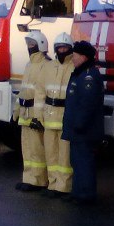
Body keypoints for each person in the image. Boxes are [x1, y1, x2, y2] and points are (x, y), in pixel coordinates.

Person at [61, 40, 104, 204]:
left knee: (84, 162)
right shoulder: (79, 73)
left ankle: (86, 194)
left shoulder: (88, 76)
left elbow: (87, 104)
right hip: (77, 129)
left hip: (84, 130)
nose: (72, 58)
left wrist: (79, 124)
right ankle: (77, 192)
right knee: (76, 161)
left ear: (84, 57)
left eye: (76, 55)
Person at [15, 30, 51, 192]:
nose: (29, 47)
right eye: (28, 44)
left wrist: (38, 117)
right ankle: (29, 177)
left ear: (40, 45)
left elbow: (41, 94)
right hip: (25, 113)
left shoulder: (46, 65)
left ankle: (39, 180)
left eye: (32, 44)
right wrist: (15, 112)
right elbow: (23, 91)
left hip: (34, 115)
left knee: (37, 149)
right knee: (27, 148)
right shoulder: (29, 64)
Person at [41, 32, 76, 198]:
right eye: (59, 47)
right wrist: (39, 114)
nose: (62, 50)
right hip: (49, 116)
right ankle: (52, 184)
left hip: (64, 117)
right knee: (51, 153)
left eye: (65, 47)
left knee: (65, 156)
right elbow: (41, 91)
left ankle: (64, 187)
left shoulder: (74, 67)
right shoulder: (49, 66)